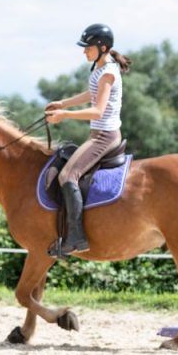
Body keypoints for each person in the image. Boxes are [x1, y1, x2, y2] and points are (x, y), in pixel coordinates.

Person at [44, 23, 131, 257]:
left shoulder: (108, 73)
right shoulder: (101, 68)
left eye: (88, 48)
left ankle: (76, 238)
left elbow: (97, 111)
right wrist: (63, 103)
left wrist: (65, 115)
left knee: (67, 175)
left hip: (104, 137)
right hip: (99, 135)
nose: (85, 52)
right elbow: (91, 94)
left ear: (102, 47)